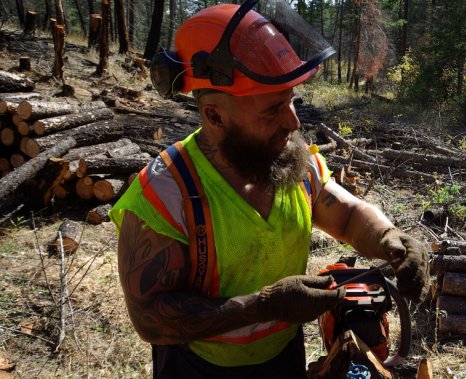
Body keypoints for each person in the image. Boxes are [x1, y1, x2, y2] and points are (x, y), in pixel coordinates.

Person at [110, 0, 430, 377]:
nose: (292, 122)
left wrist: (389, 237)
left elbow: (344, 213)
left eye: (290, 101)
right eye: (271, 110)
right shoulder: (166, 192)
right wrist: (264, 306)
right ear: (214, 115)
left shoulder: (289, 161)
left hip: (283, 356)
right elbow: (150, 320)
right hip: (200, 367)